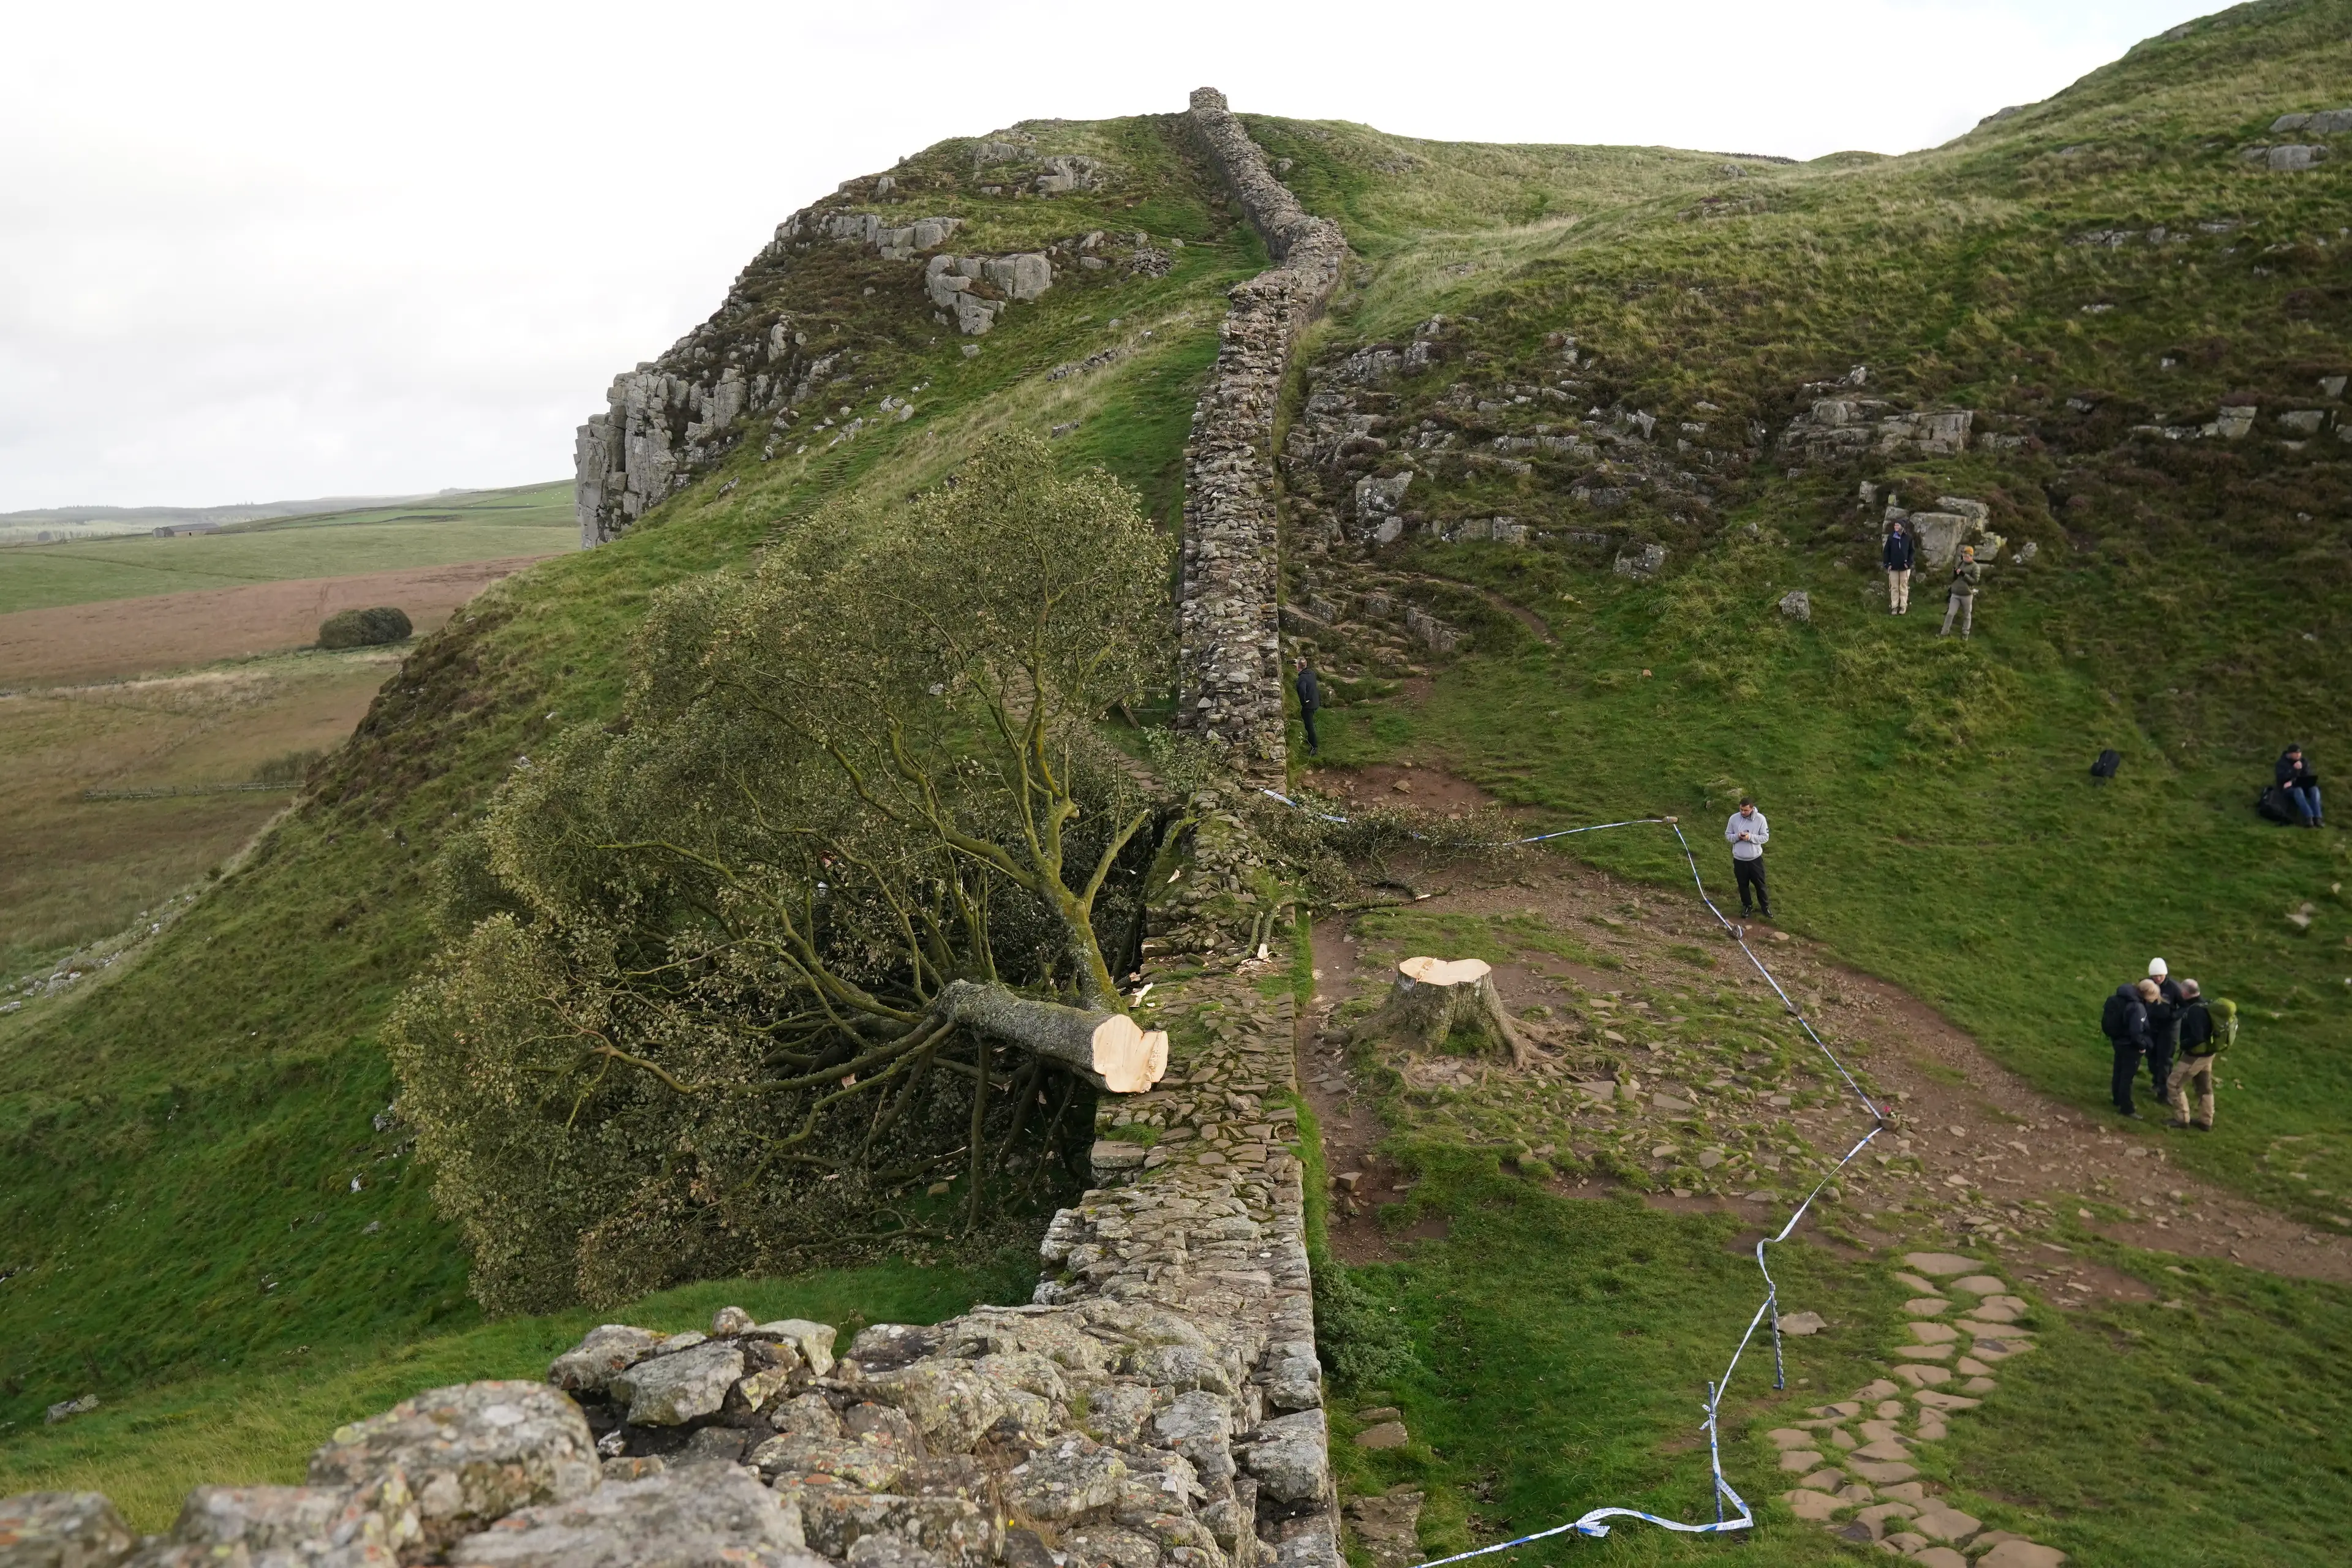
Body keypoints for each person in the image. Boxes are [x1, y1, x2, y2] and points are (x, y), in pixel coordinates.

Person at [2166, 979, 2224, 1130]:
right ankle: (2206, 1121)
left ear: (2185, 993)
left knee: (2174, 1084)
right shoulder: (2207, 1005)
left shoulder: (2194, 1011)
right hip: (2209, 1055)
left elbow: (2197, 1037)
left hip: (2194, 1056)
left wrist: (2184, 1045)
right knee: (2204, 1087)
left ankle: (2182, 1119)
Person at [2101, 978, 2156, 1118]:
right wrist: (2143, 1046)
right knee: (2127, 1077)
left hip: (2118, 1041)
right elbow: (2136, 1032)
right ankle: (2127, 1108)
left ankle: (2117, 1099)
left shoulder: (2123, 997)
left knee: (2118, 1071)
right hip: (2131, 1046)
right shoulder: (2138, 1007)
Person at [2144, 957, 2183, 1104]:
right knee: (2152, 1055)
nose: (2158, 978)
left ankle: (2165, 1092)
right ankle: (2156, 1082)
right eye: (2155, 976)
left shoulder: (2174, 988)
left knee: (2165, 1059)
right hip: (2152, 1026)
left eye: (2161, 975)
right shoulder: (2147, 984)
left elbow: (2185, 1006)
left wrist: (2174, 1016)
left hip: (2169, 1029)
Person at [1725, 797, 1771, 919]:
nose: (1743, 812)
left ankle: (1765, 907)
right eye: (1741, 809)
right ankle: (1747, 906)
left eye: (1746, 810)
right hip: (1739, 859)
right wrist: (1737, 837)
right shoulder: (1733, 819)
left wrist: (1750, 837)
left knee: (1760, 885)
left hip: (1755, 859)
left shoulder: (1760, 819)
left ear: (1752, 808)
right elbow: (1728, 836)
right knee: (1743, 885)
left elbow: (1765, 838)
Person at [1939, 544, 1982, 638]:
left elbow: (1975, 581)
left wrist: (1964, 575)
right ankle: (1944, 633)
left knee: (1967, 615)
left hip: (1967, 595)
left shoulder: (1975, 567)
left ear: (1971, 556)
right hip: (1955, 593)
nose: (1964, 558)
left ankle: (1965, 634)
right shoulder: (1960, 563)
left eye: (1966, 556)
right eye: (1963, 556)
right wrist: (1954, 574)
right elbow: (1953, 577)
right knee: (1950, 614)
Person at [2277, 744, 2324, 828]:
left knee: (2314, 789)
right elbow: (2281, 777)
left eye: (2300, 753)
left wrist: (2301, 772)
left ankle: (2318, 818)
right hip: (2287, 788)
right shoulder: (2282, 763)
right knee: (2298, 790)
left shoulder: (2304, 761)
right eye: (2296, 753)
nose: (2298, 755)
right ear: (2290, 754)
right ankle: (2309, 817)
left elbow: (2307, 775)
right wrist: (2293, 770)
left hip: (2301, 785)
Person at [1883, 519, 1916, 615]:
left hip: (1904, 568)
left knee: (1903, 586)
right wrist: (1887, 564)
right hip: (1893, 567)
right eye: (1895, 526)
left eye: (1898, 525)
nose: (1896, 527)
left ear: (1902, 527)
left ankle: (1903, 606)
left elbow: (1912, 552)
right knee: (1894, 587)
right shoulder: (1891, 538)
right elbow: (1886, 552)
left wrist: (1909, 563)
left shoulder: (1908, 538)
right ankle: (1894, 607)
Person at [1295, 657, 1322, 756]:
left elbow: (1302, 691)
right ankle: (1311, 740)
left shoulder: (1302, 678)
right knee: (1307, 721)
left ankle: (1314, 746)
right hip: (1315, 702)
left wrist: (1303, 702)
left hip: (1309, 705)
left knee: (1309, 725)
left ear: (1298, 667)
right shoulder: (1312, 673)